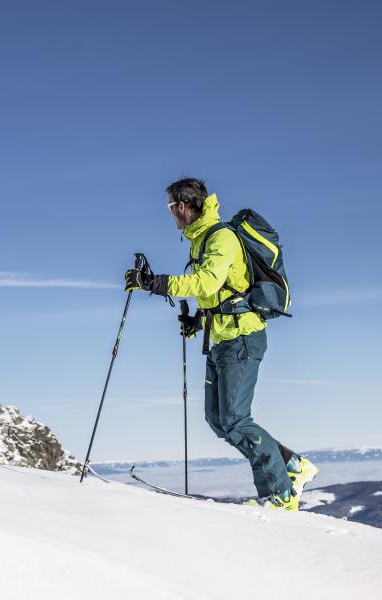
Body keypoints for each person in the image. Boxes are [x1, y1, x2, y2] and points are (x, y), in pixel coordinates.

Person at [124, 177, 317, 510]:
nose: (170, 213)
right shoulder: (199, 241)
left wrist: (154, 283)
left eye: (170, 206)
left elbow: (207, 281)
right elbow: (220, 291)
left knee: (235, 419)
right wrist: (197, 321)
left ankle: (282, 494)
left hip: (242, 338)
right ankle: (291, 464)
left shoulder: (221, 237)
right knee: (218, 419)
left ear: (182, 206)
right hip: (223, 338)